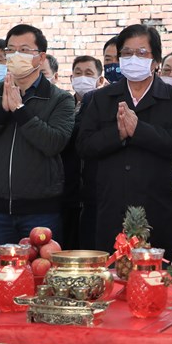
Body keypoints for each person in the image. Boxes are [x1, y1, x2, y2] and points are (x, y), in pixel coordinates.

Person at [77, 25, 172, 258]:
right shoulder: (100, 98)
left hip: (157, 206)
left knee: (155, 278)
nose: (133, 59)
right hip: (112, 205)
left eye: (141, 53)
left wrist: (140, 130)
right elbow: (84, 145)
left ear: (155, 61)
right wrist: (117, 134)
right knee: (112, 278)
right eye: (127, 53)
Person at [0, 24, 75, 245]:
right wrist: (1, 112)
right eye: (10, 50)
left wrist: (20, 111)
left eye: (23, 50)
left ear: (40, 58)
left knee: (41, 273)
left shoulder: (60, 99)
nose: (15, 56)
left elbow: (54, 143)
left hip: (41, 211)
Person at [60, 55, 104, 249]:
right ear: (71, 78)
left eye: (89, 73)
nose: (82, 78)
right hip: (64, 192)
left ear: (100, 80)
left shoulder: (104, 108)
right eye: (78, 73)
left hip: (94, 193)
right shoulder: (62, 106)